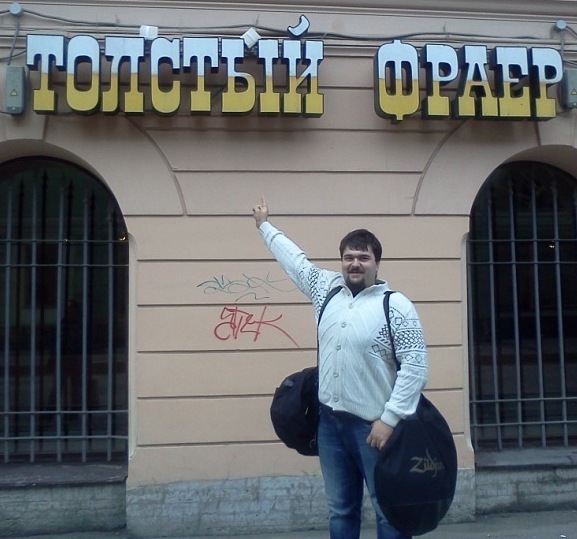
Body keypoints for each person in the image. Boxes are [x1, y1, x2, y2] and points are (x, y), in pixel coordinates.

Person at [252, 196, 428, 539]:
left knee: (389, 511)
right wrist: (264, 226)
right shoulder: (326, 289)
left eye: (363, 257)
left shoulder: (396, 306)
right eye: (349, 257)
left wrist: (389, 420)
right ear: (341, 261)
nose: (355, 264)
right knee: (340, 511)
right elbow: (295, 261)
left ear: (377, 263)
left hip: (374, 429)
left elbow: (415, 367)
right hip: (330, 426)